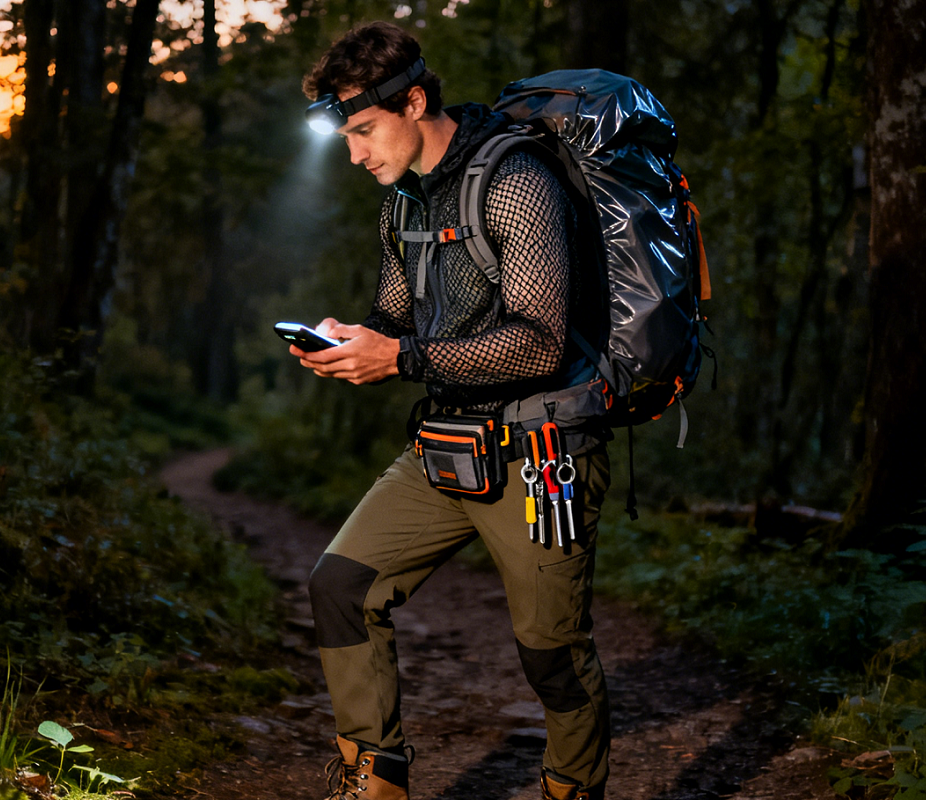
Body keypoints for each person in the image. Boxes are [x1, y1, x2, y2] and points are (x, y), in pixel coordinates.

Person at [291, 21, 613, 800]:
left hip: (543, 455)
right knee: (339, 585)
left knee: (550, 651)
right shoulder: (402, 204)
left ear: (415, 100)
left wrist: (398, 358)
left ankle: (574, 786)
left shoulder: (515, 181)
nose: (356, 152)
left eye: (366, 130)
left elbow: (539, 343)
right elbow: (401, 315)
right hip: (447, 446)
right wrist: (354, 337)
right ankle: (376, 777)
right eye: (347, 136)